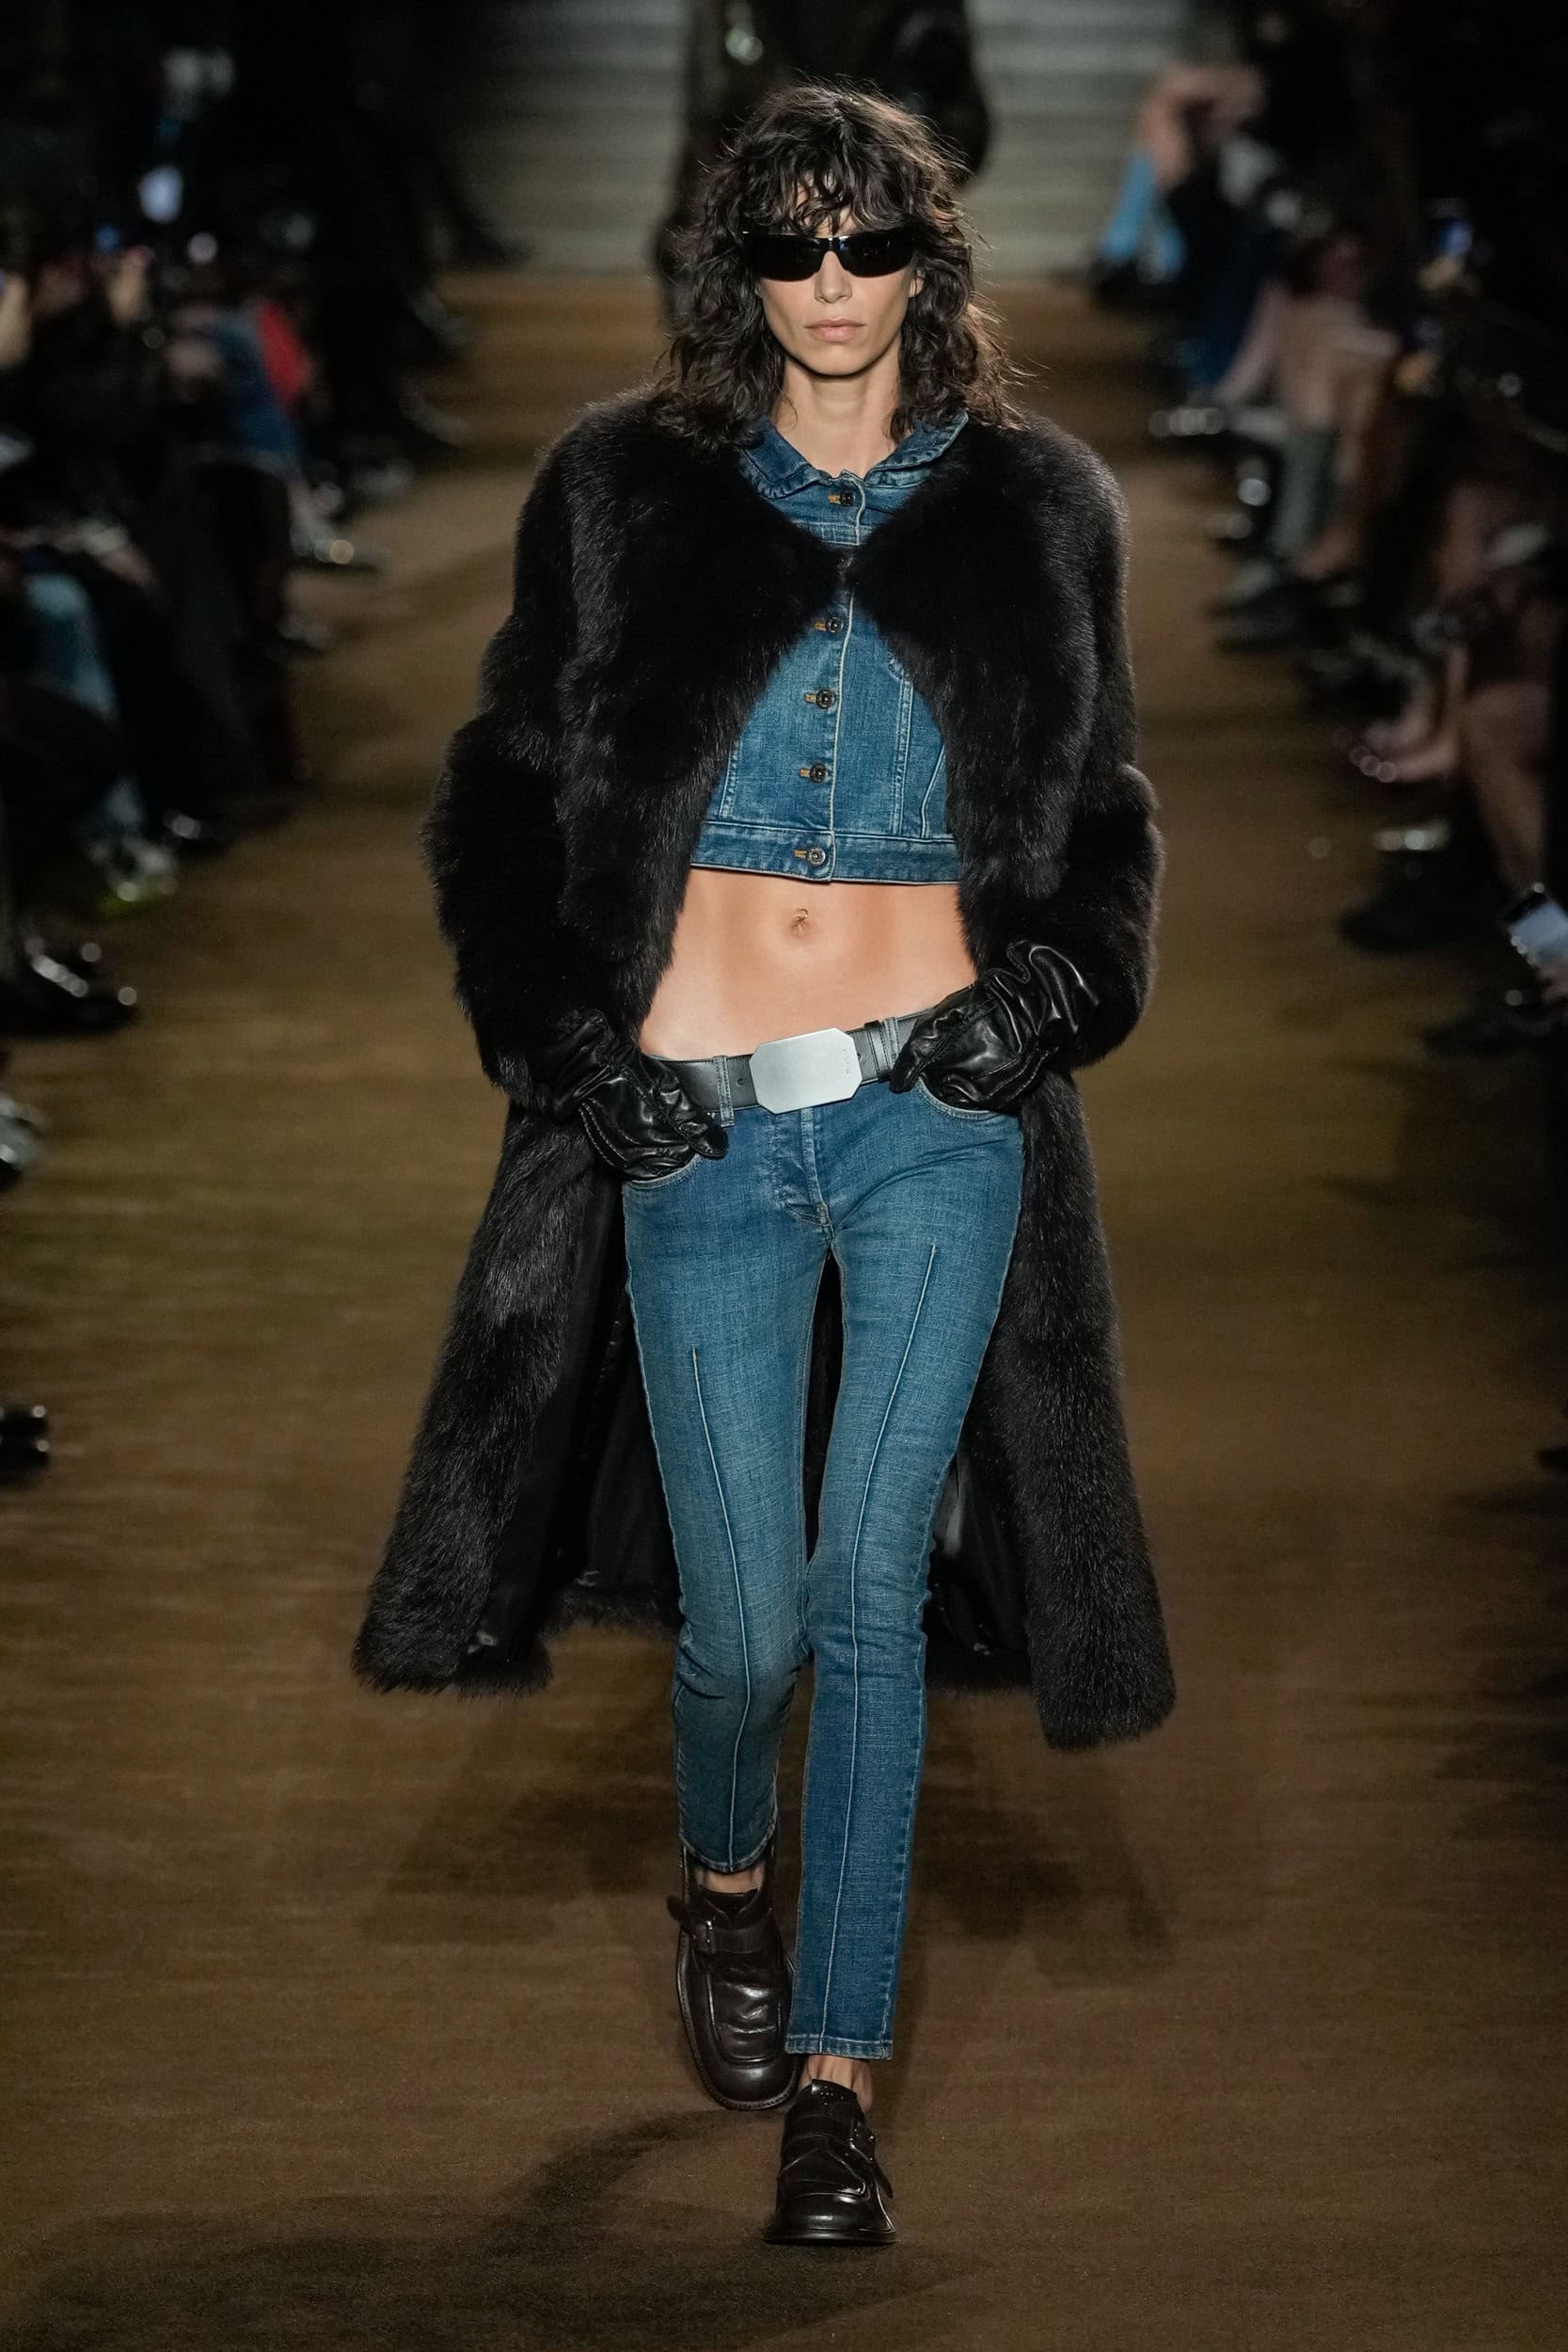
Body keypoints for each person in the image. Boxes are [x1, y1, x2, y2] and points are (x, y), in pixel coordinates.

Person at [355, 84, 1176, 2249]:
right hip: (698, 1122)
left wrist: (1052, 994)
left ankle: (837, 2084)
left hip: (938, 1117)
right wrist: (567, 1041)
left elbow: (1101, 816)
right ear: (738, 269)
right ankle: (724, 1872)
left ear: (927, 261)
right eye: (792, 243)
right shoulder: (623, 490)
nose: (831, 281)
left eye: (867, 241)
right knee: (740, 1627)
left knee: (869, 1588)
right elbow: (510, 790)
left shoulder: (1039, 505)